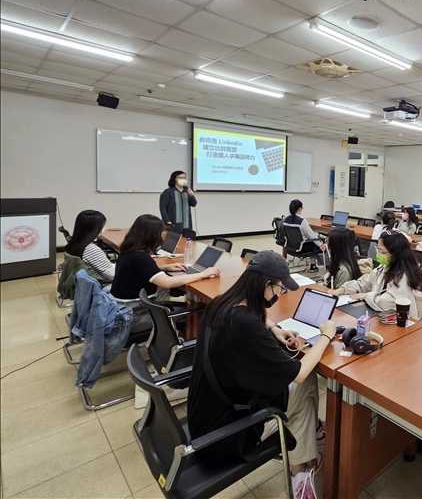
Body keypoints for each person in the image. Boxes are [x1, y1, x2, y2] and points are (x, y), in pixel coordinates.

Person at [187, 251, 335, 496]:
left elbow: (253, 319)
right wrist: (326, 336)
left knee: (297, 400)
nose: (280, 294)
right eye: (280, 288)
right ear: (266, 284)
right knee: (306, 383)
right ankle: (300, 470)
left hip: (203, 417)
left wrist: (275, 328)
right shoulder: (247, 326)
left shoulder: (220, 303)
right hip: (226, 436)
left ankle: (308, 446)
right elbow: (299, 373)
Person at [110, 214, 220, 334]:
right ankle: (188, 342)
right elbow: (168, 283)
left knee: (187, 306)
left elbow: (140, 270)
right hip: (133, 315)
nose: (162, 237)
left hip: (124, 309)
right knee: (197, 312)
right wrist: (202, 274)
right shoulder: (140, 257)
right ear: (151, 235)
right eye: (160, 234)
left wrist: (164, 267)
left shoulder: (128, 250)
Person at [330, 232, 421, 317]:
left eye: (382, 251)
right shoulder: (385, 266)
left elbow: (390, 302)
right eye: (378, 249)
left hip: (399, 318)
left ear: (395, 253)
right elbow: (364, 282)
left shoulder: (403, 274)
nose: (379, 254)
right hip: (380, 313)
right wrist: (343, 289)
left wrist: (366, 296)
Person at [65, 209, 115, 284]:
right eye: (102, 225)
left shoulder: (75, 243)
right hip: (104, 285)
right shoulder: (90, 249)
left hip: (85, 284)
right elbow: (112, 274)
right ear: (94, 228)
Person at [283, 200, 325, 272]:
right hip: (302, 247)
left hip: (290, 247)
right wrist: (321, 244)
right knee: (320, 242)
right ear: (299, 209)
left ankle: (313, 265)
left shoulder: (285, 220)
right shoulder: (302, 221)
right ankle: (321, 266)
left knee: (315, 242)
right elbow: (311, 235)